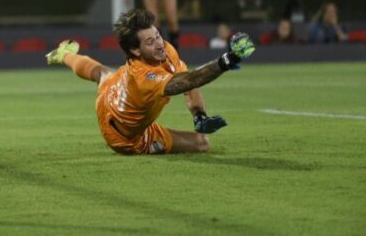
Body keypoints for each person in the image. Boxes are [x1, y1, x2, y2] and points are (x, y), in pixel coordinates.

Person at [46, 9, 256, 155]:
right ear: (135, 51)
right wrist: (227, 60)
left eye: (157, 35)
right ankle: (64, 55)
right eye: (149, 41)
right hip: (125, 138)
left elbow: (188, 81)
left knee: (102, 74)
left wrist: (199, 115)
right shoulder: (143, 77)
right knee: (202, 143)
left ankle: (63, 54)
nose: (158, 44)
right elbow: (186, 81)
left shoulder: (164, 49)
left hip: (113, 94)